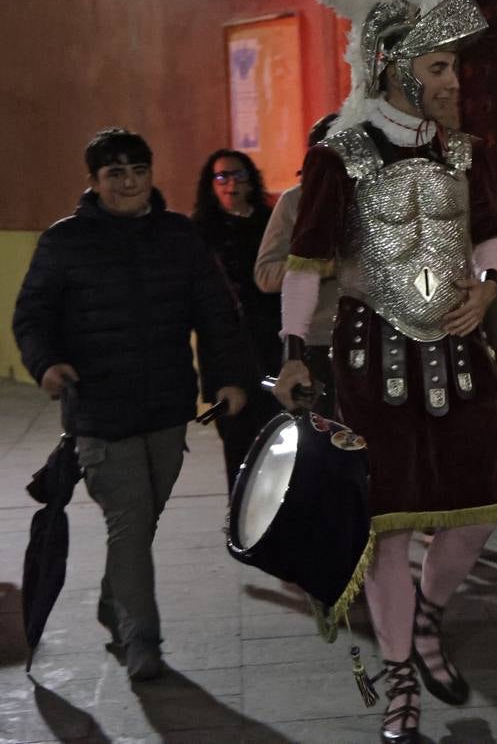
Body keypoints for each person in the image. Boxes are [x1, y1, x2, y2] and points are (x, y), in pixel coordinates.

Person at [232, 0, 497, 741]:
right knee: (391, 517)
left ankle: (427, 615)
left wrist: (487, 291)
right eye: (440, 68)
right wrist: (295, 354)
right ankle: (400, 671)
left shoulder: (464, 153)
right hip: (376, 356)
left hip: (461, 352)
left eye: (455, 69)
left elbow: (491, 235)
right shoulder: (339, 154)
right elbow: (305, 260)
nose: (455, 81)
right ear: (397, 66)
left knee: (479, 512)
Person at [13, 128, 250, 681]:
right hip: (98, 410)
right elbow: (32, 315)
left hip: (167, 407)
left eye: (137, 171)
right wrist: (46, 363)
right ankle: (142, 640)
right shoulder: (64, 242)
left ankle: (115, 604)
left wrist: (229, 379)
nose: (128, 183)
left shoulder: (179, 237)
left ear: (151, 174)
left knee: (142, 521)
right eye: (114, 173)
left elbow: (216, 313)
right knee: (129, 521)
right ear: (94, 182)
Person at [192, 148, 282, 487]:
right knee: (239, 452)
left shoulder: (270, 224)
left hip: (273, 348)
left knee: (278, 445)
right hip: (225, 357)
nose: (231, 184)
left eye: (238, 175)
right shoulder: (199, 233)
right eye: (222, 176)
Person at [254, 114, 340, 417]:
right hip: (317, 343)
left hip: (374, 338)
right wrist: (323, 266)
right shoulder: (296, 202)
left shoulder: (377, 200)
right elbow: (265, 274)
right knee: (323, 439)